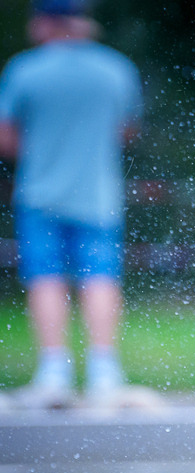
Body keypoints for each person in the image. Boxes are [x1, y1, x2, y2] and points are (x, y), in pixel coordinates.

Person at [0, 0, 144, 409]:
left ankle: (54, 371)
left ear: (45, 23)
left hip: (39, 194)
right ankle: (104, 370)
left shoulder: (25, 70)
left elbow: (6, 138)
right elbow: (126, 130)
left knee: (46, 277)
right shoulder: (115, 69)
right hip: (98, 196)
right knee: (100, 276)